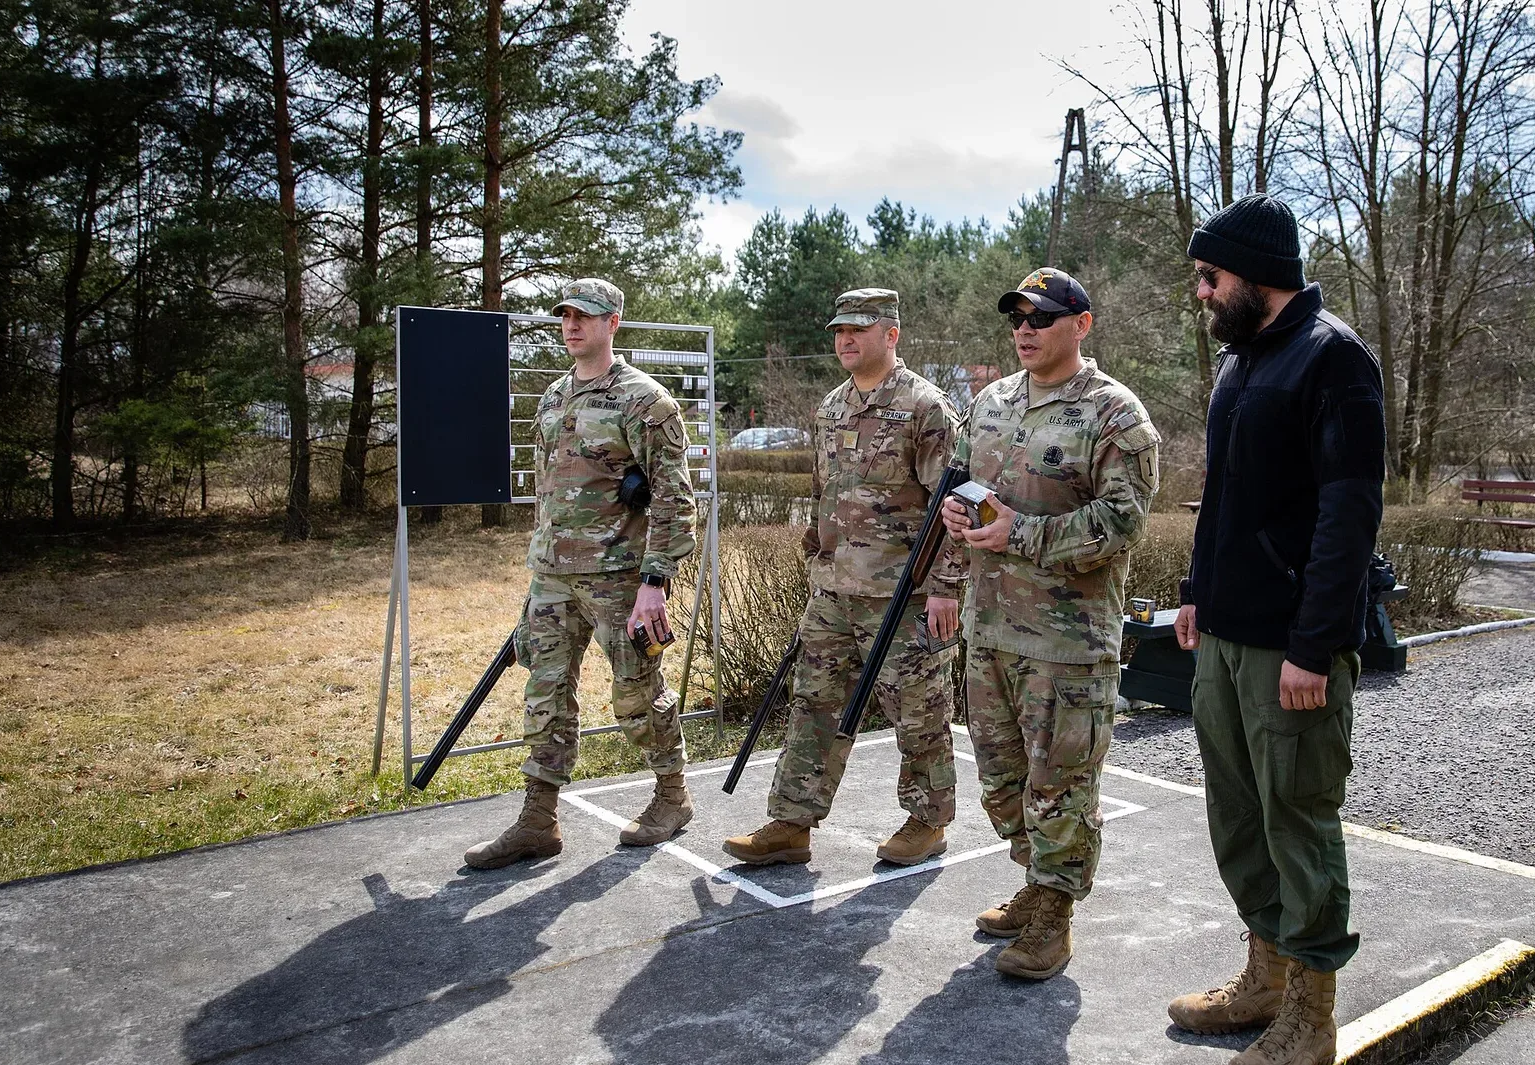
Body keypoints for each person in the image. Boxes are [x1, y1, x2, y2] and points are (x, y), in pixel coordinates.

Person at [1167, 195, 1385, 1065]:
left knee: (1296, 817)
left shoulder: (1335, 361)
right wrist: (1195, 592)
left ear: (1257, 277)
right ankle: (1263, 977)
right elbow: (1222, 495)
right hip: (1224, 634)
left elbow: (1349, 514)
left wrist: (1312, 644)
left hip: (1290, 646)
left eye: (1210, 279)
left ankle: (1311, 1015)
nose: (1202, 295)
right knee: (1238, 814)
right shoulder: (1241, 364)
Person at [941, 267, 1161, 980]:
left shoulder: (1114, 415)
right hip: (990, 630)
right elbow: (963, 484)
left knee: (1060, 785)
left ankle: (1056, 916)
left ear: (1082, 325)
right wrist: (956, 519)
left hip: (1067, 642)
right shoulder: (990, 403)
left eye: (1041, 317)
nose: (1025, 330)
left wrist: (1020, 535)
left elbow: (1122, 523)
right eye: (1017, 318)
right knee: (1003, 782)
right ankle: (1035, 881)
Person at [722, 288, 964, 867]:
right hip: (833, 590)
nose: (845, 340)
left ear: (892, 334)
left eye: (859, 329)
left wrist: (946, 587)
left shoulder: (926, 408)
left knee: (916, 707)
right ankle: (792, 821)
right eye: (839, 331)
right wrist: (814, 557)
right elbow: (822, 493)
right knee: (813, 702)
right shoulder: (830, 407)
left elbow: (953, 507)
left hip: (902, 595)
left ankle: (928, 820)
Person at [465, 278, 698, 869]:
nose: (572, 325)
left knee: (636, 694)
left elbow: (675, 499)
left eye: (585, 317)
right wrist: (539, 567)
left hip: (619, 578)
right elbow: (551, 492)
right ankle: (537, 821)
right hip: (551, 577)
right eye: (565, 315)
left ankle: (672, 797)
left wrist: (655, 582)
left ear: (613, 323)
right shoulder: (552, 397)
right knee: (544, 692)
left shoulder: (646, 402)